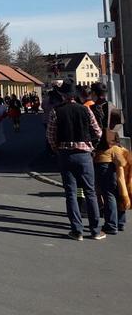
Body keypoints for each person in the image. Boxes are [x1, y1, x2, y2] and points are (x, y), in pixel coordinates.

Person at [46, 82, 104, 240]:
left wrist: (57, 149)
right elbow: (98, 132)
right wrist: (91, 145)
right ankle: (95, 230)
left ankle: (77, 230)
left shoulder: (56, 111)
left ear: (63, 96)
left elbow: (51, 136)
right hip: (84, 154)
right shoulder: (85, 109)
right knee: (90, 192)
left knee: (71, 193)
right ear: (76, 95)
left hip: (65, 154)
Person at [93, 126, 129, 235]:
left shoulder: (104, 140)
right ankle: (120, 222)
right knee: (119, 193)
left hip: (104, 163)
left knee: (109, 194)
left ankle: (111, 225)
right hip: (116, 169)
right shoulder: (118, 147)